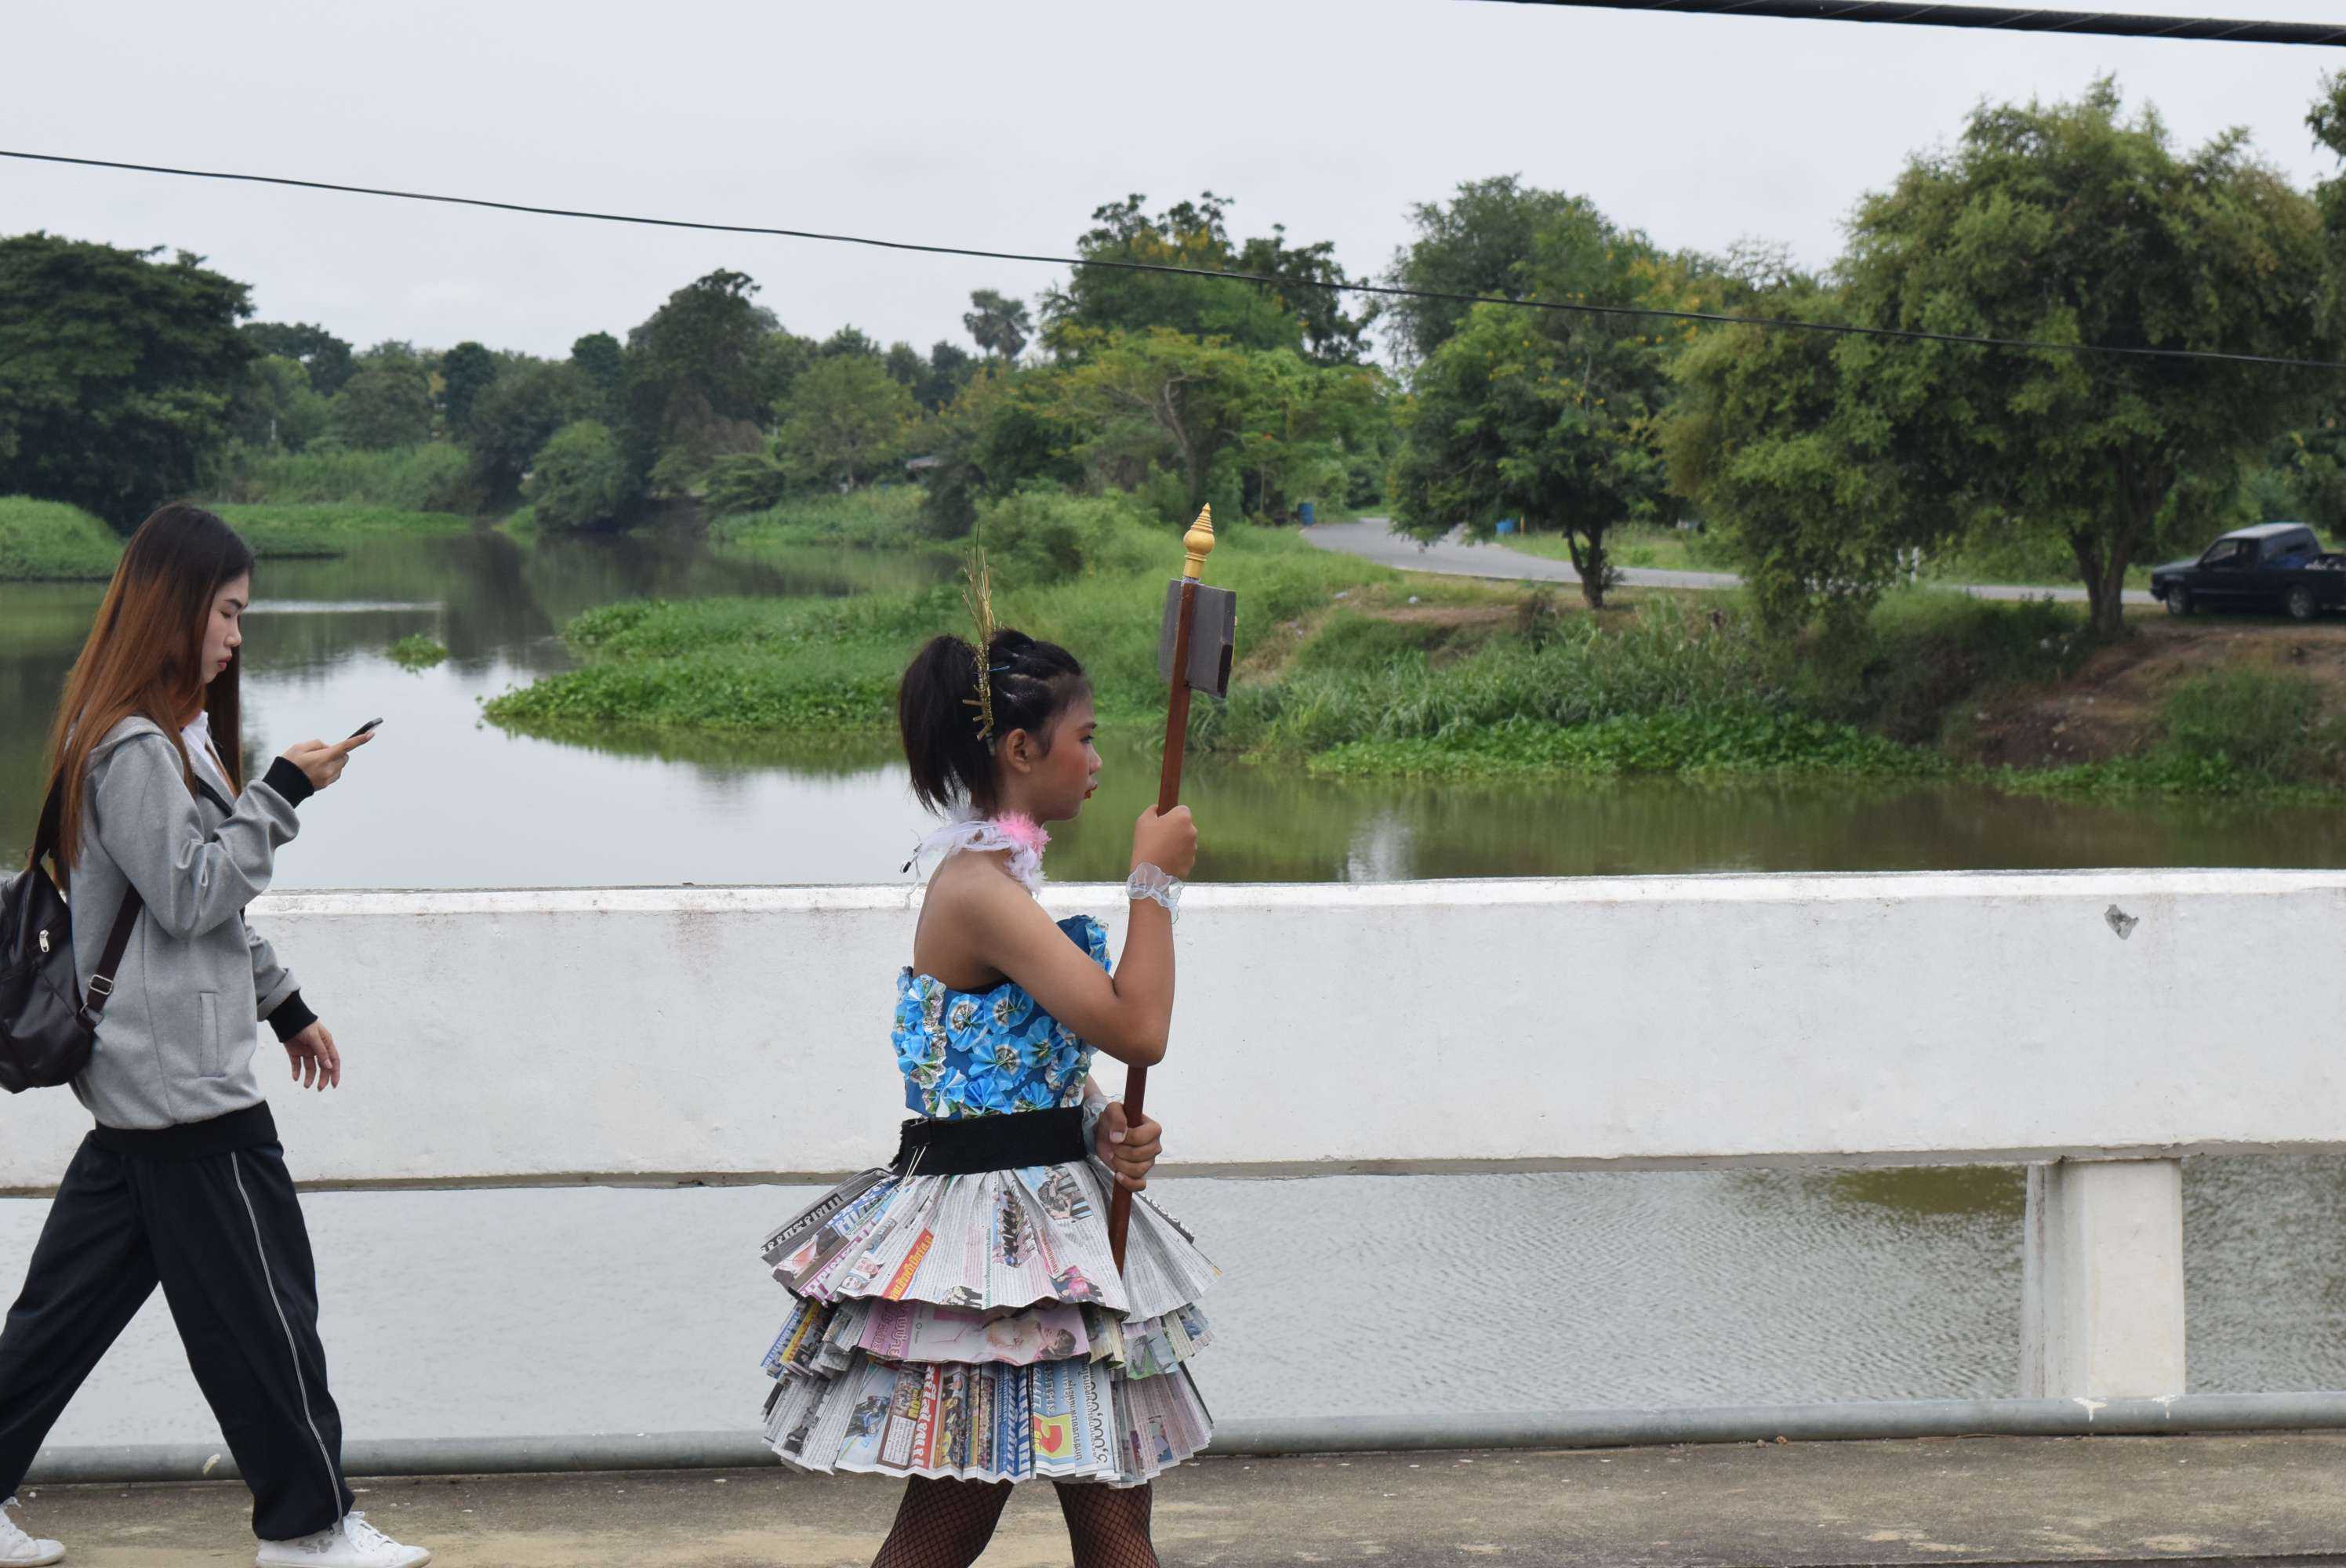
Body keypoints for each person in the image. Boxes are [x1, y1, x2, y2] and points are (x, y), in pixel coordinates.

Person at [0, 505, 429, 1568]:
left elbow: (197, 916)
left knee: (57, 1322)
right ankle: (309, 1529)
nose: (238, 635)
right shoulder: (132, 748)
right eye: (229, 611)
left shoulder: (151, 737)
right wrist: (282, 792)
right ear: (176, 606)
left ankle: (308, 1524)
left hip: (146, 1084)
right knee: (268, 1315)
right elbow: (193, 894)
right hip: (184, 1088)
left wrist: (282, 1003)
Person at [756, 625, 1218, 1568]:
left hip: (1052, 1224)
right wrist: (1152, 884)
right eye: (1084, 737)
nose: (1097, 759)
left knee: (1108, 1524)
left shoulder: (997, 880)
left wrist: (1097, 1119)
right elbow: (1138, 1028)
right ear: (1019, 748)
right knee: (950, 1531)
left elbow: (1008, 1057)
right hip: (996, 1251)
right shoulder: (977, 890)